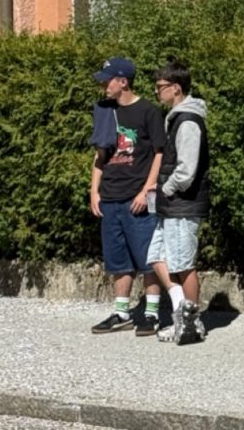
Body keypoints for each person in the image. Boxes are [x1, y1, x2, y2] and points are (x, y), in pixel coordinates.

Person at [89, 57, 165, 336]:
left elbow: (159, 152)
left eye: (107, 81)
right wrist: (94, 190)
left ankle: (152, 313)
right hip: (110, 197)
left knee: (148, 257)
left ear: (123, 82)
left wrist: (147, 190)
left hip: (137, 196)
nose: (103, 86)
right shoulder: (104, 110)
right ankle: (121, 312)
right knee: (117, 258)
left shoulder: (148, 111)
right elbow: (99, 155)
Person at [147, 60, 209, 345]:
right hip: (171, 204)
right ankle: (181, 313)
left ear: (176, 88)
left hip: (183, 204)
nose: (156, 91)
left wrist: (168, 188)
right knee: (156, 257)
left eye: (160, 86)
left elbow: (186, 169)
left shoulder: (188, 121)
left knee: (183, 265)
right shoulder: (176, 118)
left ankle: (192, 322)